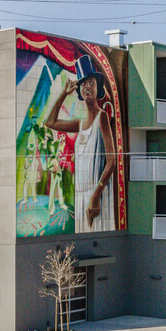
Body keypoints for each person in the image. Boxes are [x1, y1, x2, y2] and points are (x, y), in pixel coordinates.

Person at [45, 54, 116, 232]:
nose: (87, 87)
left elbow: (112, 161)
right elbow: (50, 122)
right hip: (81, 196)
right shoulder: (78, 123)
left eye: (91, 82)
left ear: (98, 86)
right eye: (83, 83)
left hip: (96, 195)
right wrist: (63, 93)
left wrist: (96, 195)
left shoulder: (102, 118)